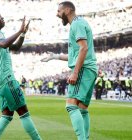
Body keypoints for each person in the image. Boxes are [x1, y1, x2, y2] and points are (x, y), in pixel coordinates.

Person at [41, 1, 98, 140]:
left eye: (59, 11)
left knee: (71, 106)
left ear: (67, 10)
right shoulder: (79, 23)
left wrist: (75, 72)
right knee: (82, 109)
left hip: (84, 70)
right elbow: (75, 55)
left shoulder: (77, 24)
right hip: (90, 69)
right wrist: (55, 56)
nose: (57, 14)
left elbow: (83, 48)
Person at [0, 10, 42, 140]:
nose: (3, 18)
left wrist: (23, 34)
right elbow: (4, 44)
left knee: (7, 115)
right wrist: (19, 31)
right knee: (23, 112)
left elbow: (14, 47)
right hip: (6, 80)